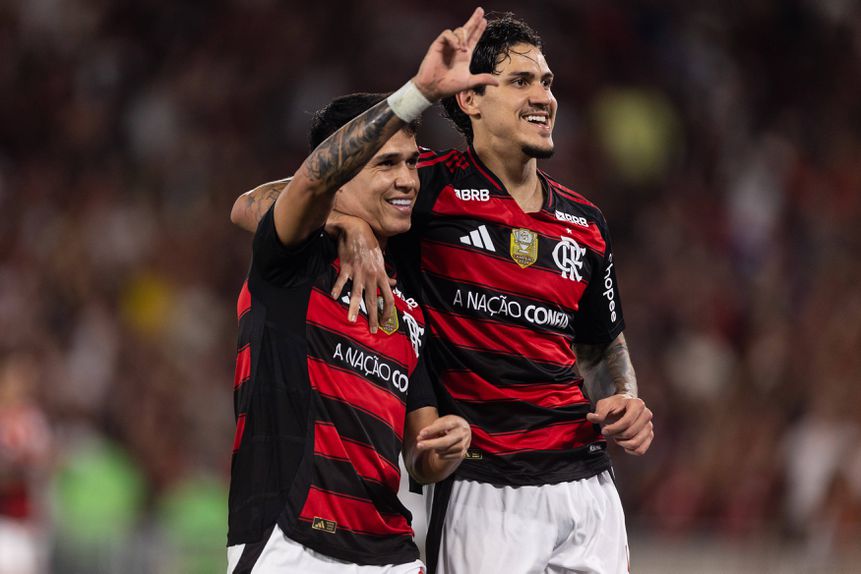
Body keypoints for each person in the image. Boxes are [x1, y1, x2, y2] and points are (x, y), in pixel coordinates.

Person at [232, 12, 654, 574]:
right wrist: (347, 222)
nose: (544, 97)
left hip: (585, 475)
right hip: (486, 485)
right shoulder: (427, 186)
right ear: (472, 99)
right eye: (522, 81)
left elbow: (601, 347)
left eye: (547, 82)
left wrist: (624, 397)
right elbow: (258, 203)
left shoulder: (587, 224)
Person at [226, 8, 498, 574]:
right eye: (386, 164)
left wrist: (444, 444)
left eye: (412, 164)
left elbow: (419, 453)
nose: (407, 180)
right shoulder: (293, 261)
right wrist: (417, 94)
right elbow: (308, 182)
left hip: (390, 555)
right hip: (293, 545)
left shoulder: (409, 309)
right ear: (343, 175)